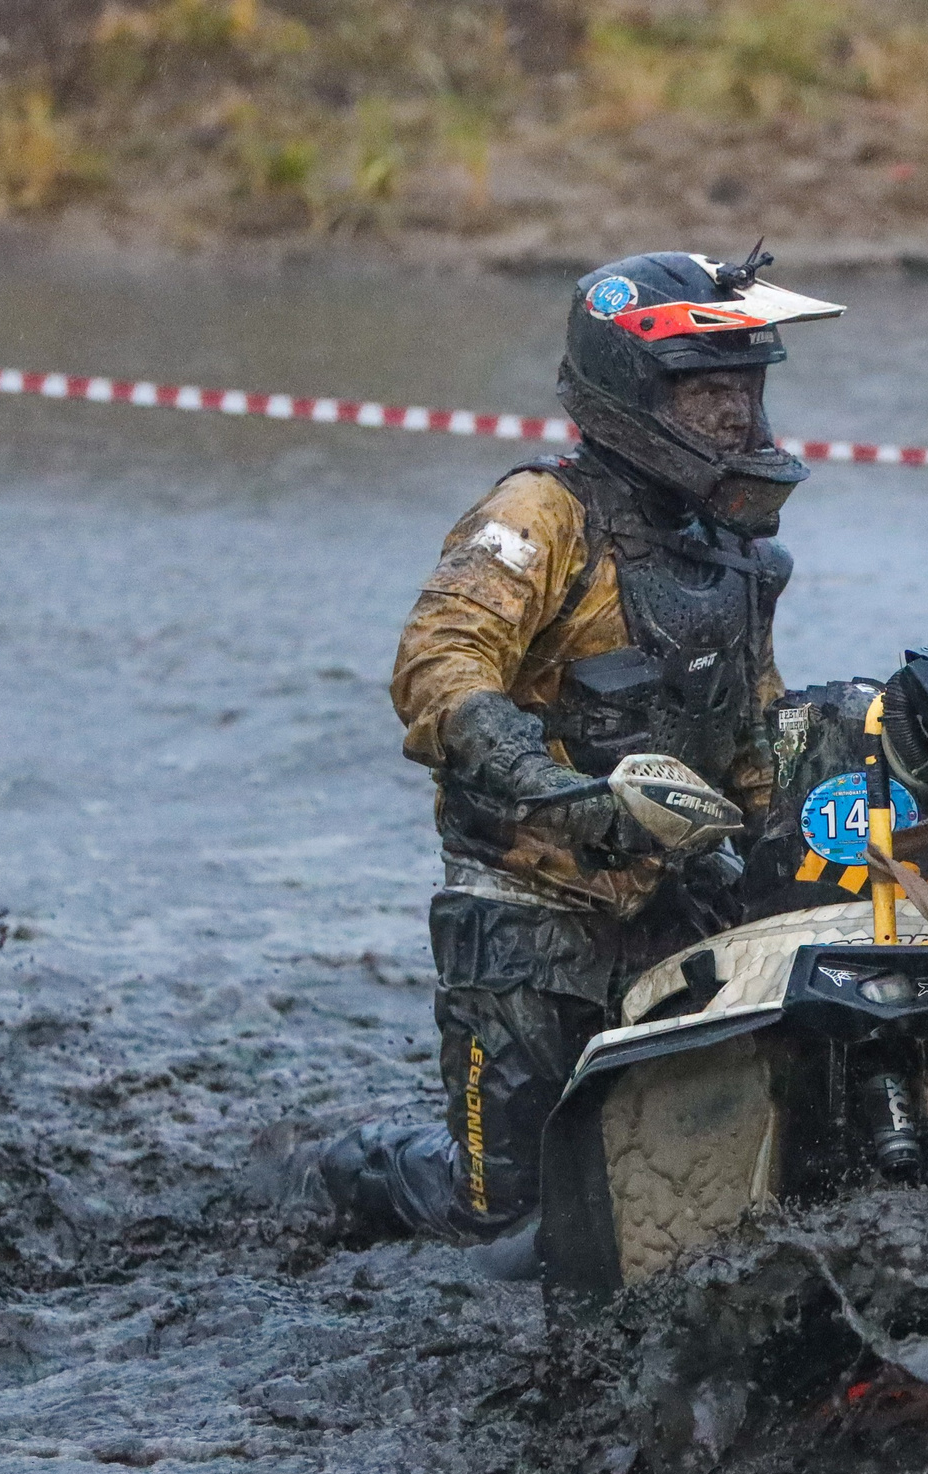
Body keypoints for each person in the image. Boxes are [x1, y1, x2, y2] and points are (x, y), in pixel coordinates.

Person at [312, 249, 845, 1254]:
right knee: (504, 1214)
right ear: (633, 394)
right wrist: (560, 795)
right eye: (704, 391)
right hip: (527, 908)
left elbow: (754, 728)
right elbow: (439, 666)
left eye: (746, 387)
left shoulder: (738, 554)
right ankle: (337, 1174)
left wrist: (824, 812)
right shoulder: (539, 513)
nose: (734, 415)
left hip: (679, 897)